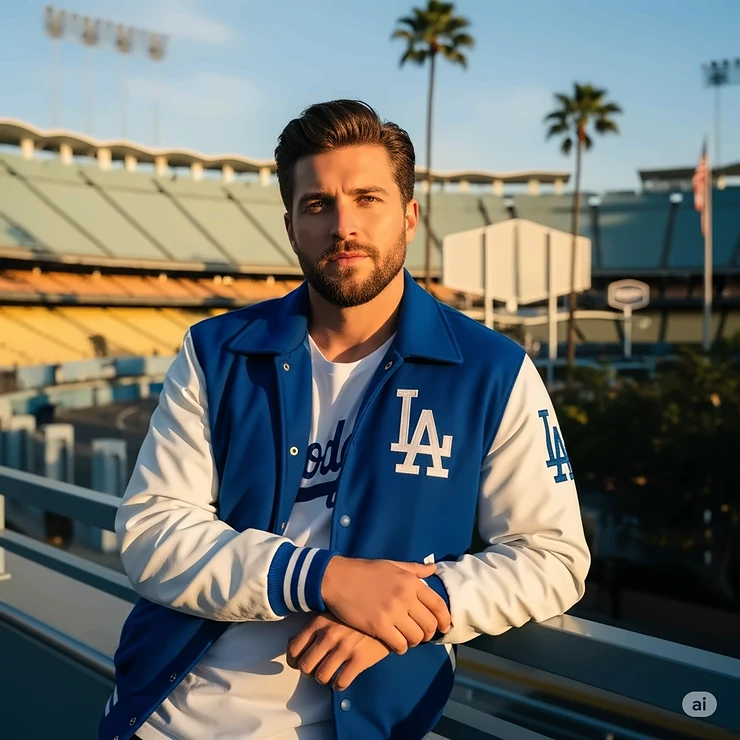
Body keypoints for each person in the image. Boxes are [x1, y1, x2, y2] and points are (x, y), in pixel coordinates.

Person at [100, 100, 591, 740]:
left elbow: (553, 556)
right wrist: (324, 579)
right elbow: (151, 531)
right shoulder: (216, 352)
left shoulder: (491, 372)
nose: (343, 225)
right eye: (317, 205)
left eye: (367, 199)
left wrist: (422, 608)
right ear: (291, 225)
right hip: (163, 720)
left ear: (409, 216)